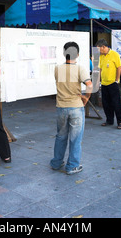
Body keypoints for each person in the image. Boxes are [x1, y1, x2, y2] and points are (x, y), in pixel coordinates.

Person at [50, 42, 92, 175]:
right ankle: (72, 166)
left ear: (64, 53)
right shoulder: (80, 69)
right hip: (76, 107)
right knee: (75, 138)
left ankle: (56, 162)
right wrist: (86, 97)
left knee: (60, 136)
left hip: (61, 106)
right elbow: (89, 85)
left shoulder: (57, 68)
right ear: (78, 54)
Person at [96, 39, 121, 129]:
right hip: (104, 83)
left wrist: (116, 80)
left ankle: (120, 121)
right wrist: (99, 81)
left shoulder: (114, 54)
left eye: (99, 48)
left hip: (113, 83)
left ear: (104, 47)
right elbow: (100, 69)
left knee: (116, 103)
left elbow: (119, 68)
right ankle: (109, 120)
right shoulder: (101, 56)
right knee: (106, 103)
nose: (98, 51)